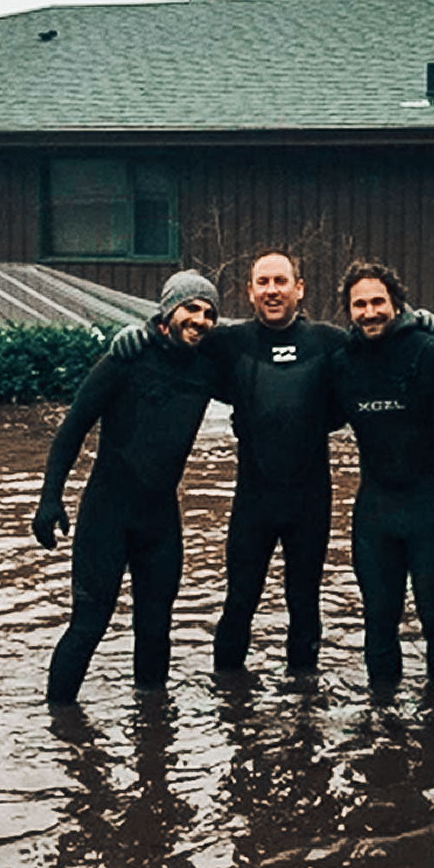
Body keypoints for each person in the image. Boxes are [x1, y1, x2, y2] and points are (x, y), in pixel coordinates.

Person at [111, 250, 347, 672]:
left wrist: (416, 321)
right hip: (254, 502)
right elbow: (178, 334)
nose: (272, 290)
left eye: (280, 281)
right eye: (263, 282)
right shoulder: (231, 342)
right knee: (239, 600)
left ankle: (304, 710)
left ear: (300, 288)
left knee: (305, 603)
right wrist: (143, 331)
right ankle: (230, 705)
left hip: (310, 502)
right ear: (249, 292)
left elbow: (382, 348)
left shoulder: (329, 343)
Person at [32, 270, 221, 701]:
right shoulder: (125, 358)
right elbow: (72, 429)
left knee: (156, 627)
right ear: (168, 310)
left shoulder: (209, 366)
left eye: (210, 313)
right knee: (89, 624)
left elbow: (257, 351)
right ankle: (59, 724)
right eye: (192, 308)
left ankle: (152, 737)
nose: (201, 319)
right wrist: (50, 499)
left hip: (160, 521)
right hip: (107, 514)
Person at [330, 261, 434, 687]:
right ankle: (381, 726)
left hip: (433, 510)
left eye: (377, 302)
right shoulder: (343, 363)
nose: (369, 312)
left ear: (397, 304)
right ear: (348, 311)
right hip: (376, 514)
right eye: (359, 304)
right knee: (378, 620)